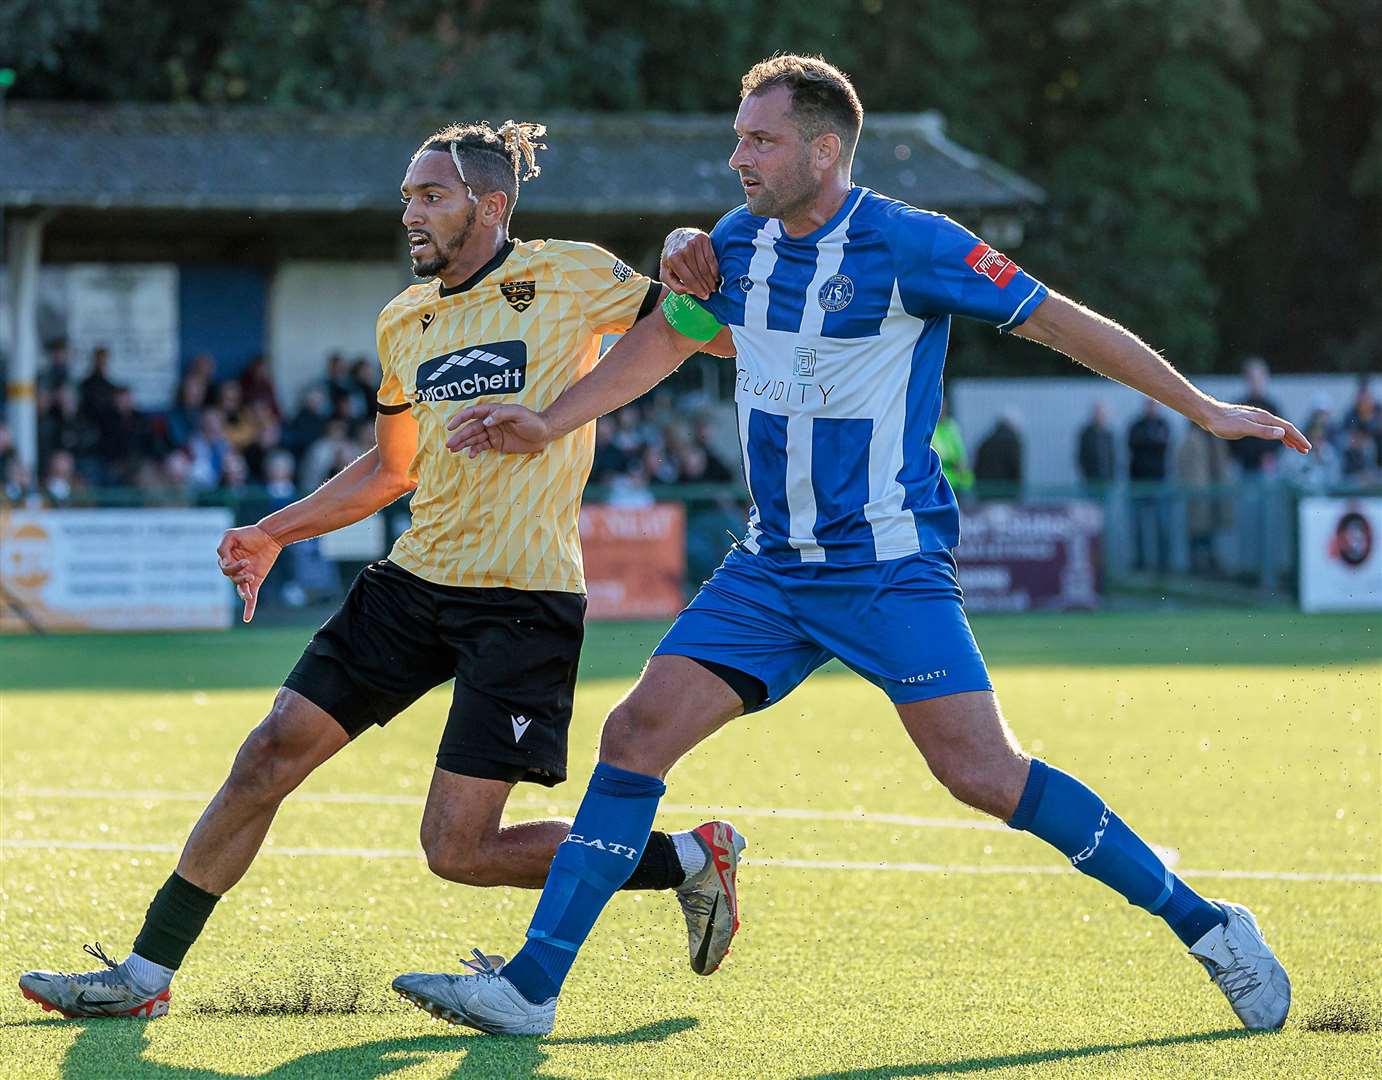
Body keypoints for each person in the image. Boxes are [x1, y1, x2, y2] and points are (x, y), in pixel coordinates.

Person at [432, 54, 1309, 1037]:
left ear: (823, 149)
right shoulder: (733, 244)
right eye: (736, 137)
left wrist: (1195, 406)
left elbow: (1062, 325)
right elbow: (671, 337)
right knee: (633, 735)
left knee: (982, 774)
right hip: (768, 570)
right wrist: (552, 418)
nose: (736, 157)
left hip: (888, 571)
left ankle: (1208, 926)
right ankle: (531, 988)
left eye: (757, 139)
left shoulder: (912, 244)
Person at [19, 119, 744, 1022]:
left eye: (430, 196)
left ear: (491, 204)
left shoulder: (568, 272)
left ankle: (682, 859)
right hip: (411, 585)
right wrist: (275, 531)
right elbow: (391, 468)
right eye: (407, 195)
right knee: (267, 754)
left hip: (522, 599)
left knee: (459, 850)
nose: (410, 212)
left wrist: (695, 267)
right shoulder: (406, 319)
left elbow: (704, 338)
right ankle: (143, 974)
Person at [1127, 399, 1172, 574]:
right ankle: (1140, 563)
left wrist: (1148, 443)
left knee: (1162, 526)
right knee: (1138, 528)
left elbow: (1162, 447)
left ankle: (1163, 566)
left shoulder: (1163, 424)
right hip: (1139, 483)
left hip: (1159, 483)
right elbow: (1135, 447)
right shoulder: (1136, 425)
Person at [1077, 401, 1116, 490]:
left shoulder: (1108, 434)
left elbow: (1112, 456)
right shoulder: (1086, 433)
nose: (1100, 416)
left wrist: (1111, 475)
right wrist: (1086, 474)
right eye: (1098, 413)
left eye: (1102, 414)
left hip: (1107, 478)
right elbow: (1081, 456)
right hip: (1091, 478)